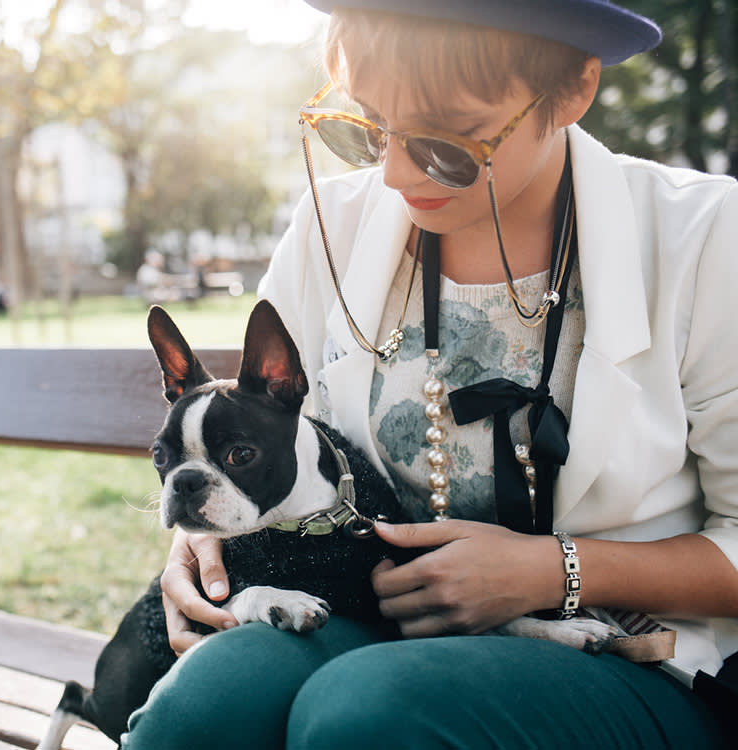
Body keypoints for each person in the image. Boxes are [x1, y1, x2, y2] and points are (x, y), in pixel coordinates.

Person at [124, 1, 738, 747]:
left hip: (633, 651)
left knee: (370, 712)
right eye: (368, 127)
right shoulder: (334, 222)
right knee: (203, 710)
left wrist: (557, 571)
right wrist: (202, 542)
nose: (394, 171)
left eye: (447, 141)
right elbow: (259, 438)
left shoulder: (707, 239)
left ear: (574, 89)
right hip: (360, 610)